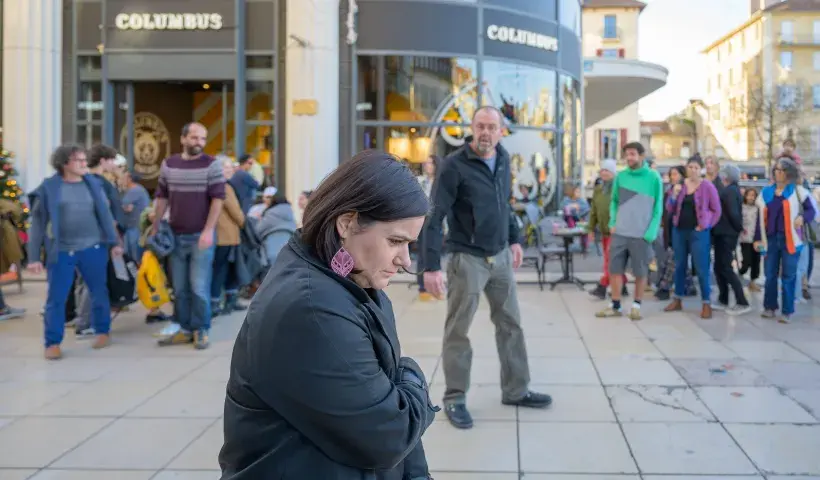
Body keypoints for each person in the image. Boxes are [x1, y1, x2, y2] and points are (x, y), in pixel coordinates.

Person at [219, 150, 437, 479]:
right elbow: (389, 436)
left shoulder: (353, 282)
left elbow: (399, 435)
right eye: (395, 241)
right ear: (347, 224)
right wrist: (413, 376)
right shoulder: (312, 309)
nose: (405, 260)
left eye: (409, 244)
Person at [421, 106, 551, 430]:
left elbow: (504, 204)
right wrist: (430, 266)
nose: (486, 132)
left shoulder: (503, 158)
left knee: (511, 325)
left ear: (501, 131)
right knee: (458, 330)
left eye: (492, 127)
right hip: (467, 260)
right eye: (481, 126)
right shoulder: (453, 166)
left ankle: (516, 389)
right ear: (472, 128)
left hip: (501, 257)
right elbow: (434, 217)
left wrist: (515, 239)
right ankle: (455, 398)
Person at [26, 144, 121, 360]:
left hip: (93, 247)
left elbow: (105, 215)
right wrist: (33, 257)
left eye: (84, 159)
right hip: (62, 251)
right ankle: (52, 343)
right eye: (79, 160)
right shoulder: (50, 187)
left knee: (99, 291)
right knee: (56, 298)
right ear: (64, 163)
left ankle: (103, 331)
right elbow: (38, 224)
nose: (84, 163)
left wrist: (114, 242)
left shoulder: (93, 184)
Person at [152, 122, 226, 350]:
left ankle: (201, 329)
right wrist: (155, 225)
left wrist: (208, 230)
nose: (199, 142)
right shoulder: (169, 164)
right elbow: (162, 197)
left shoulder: (212, 164)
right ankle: (184, 329)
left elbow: (218, 200)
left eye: (203, 138)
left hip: (200, 237)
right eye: (194, 137)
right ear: (183, 139)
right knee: (180, 288)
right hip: (174, 236)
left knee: (199, 287)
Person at [596, 142, 664, 321]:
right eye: (627, 154)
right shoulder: (621, 176)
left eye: (633, 154)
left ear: (641, 156)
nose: (629, 158)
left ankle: (636, 306)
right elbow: (614, 201)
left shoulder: (653, 177)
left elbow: (658, 207)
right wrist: (612, 222)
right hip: (620, 232)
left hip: (641, 234)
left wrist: (651, 232)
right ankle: (615, 305)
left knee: (641, 272)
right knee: (614, 269)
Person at [755, 155, 816, 324]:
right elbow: (760, 218)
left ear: (789, 173)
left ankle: (787, 311)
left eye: (782, 170)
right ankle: (769, 307)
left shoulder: (798, 191)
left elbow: (811, 211)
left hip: (791, 240)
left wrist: (802, 218)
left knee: (789, 275)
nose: (778, 173)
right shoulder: (766, 192)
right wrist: (757, 239)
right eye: (776, 170)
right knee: (770, 274)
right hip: (770, 239)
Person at [663, 155, 721, 319]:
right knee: (679, 265)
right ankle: (677, 299)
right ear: (686, 168)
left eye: (696, 167)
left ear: (701, 170)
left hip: (698, 233)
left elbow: (716, 210)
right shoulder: (680, 185)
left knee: (702, 267)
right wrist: (674, 196)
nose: (693, 170)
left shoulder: (707, 186)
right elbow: (669, 208)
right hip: (679, 231)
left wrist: (706, 224)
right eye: (690, 167)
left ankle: (706, 302)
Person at [712, 164, 751, 314]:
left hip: (726, 234)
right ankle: (723, 299)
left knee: (725, 267)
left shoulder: (729, 191)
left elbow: (733, 213)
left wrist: (738, 228)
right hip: (724, 233)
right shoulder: (732, 190)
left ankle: (742, 301)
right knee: (719, 267)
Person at [212, 157, 246, 316]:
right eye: (227, 167)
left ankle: (226, 299)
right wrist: (243, 222)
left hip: (222, 235)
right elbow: (235, 211)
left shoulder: (215, 184)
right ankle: (218, 301)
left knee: (224, 269)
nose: (231, 169)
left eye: (231, 167)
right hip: (227, 235)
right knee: (223, 269)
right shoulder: (224, 186)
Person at [588, 159, 627, 300]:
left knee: (610, 261)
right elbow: (594, 211)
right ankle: (623, 285)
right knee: (611, 259)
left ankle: (602, 286)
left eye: (607, 170)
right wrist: (590, 229)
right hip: (604, 231)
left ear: (613, 172)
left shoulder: (620, 188)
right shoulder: (598, 189)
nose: (604, 173)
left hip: (616, 231)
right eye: (602, 170)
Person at [256, 193, 297, 266]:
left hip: (271, 251)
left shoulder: (270, 214)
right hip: (288, 252)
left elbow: (258, 230)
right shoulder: (290, 214)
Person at [120, 171, 151, 262]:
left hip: (135, 228)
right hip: (135, 227)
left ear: (129, 179)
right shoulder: (138, 189)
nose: (122, 179)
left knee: (134, 257)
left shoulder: (134, 191)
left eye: (124, 177)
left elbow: (121, 206)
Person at [739, 188, 761, 292]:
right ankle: (739, 275)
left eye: (753, 195)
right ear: (745, 196)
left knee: (756, 261)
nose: (751, 197)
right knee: (747, 261)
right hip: (745, 239)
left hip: (758, 239)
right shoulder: (741, 207)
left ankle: (753, 283)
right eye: (749, 195)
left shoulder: (759, 208)